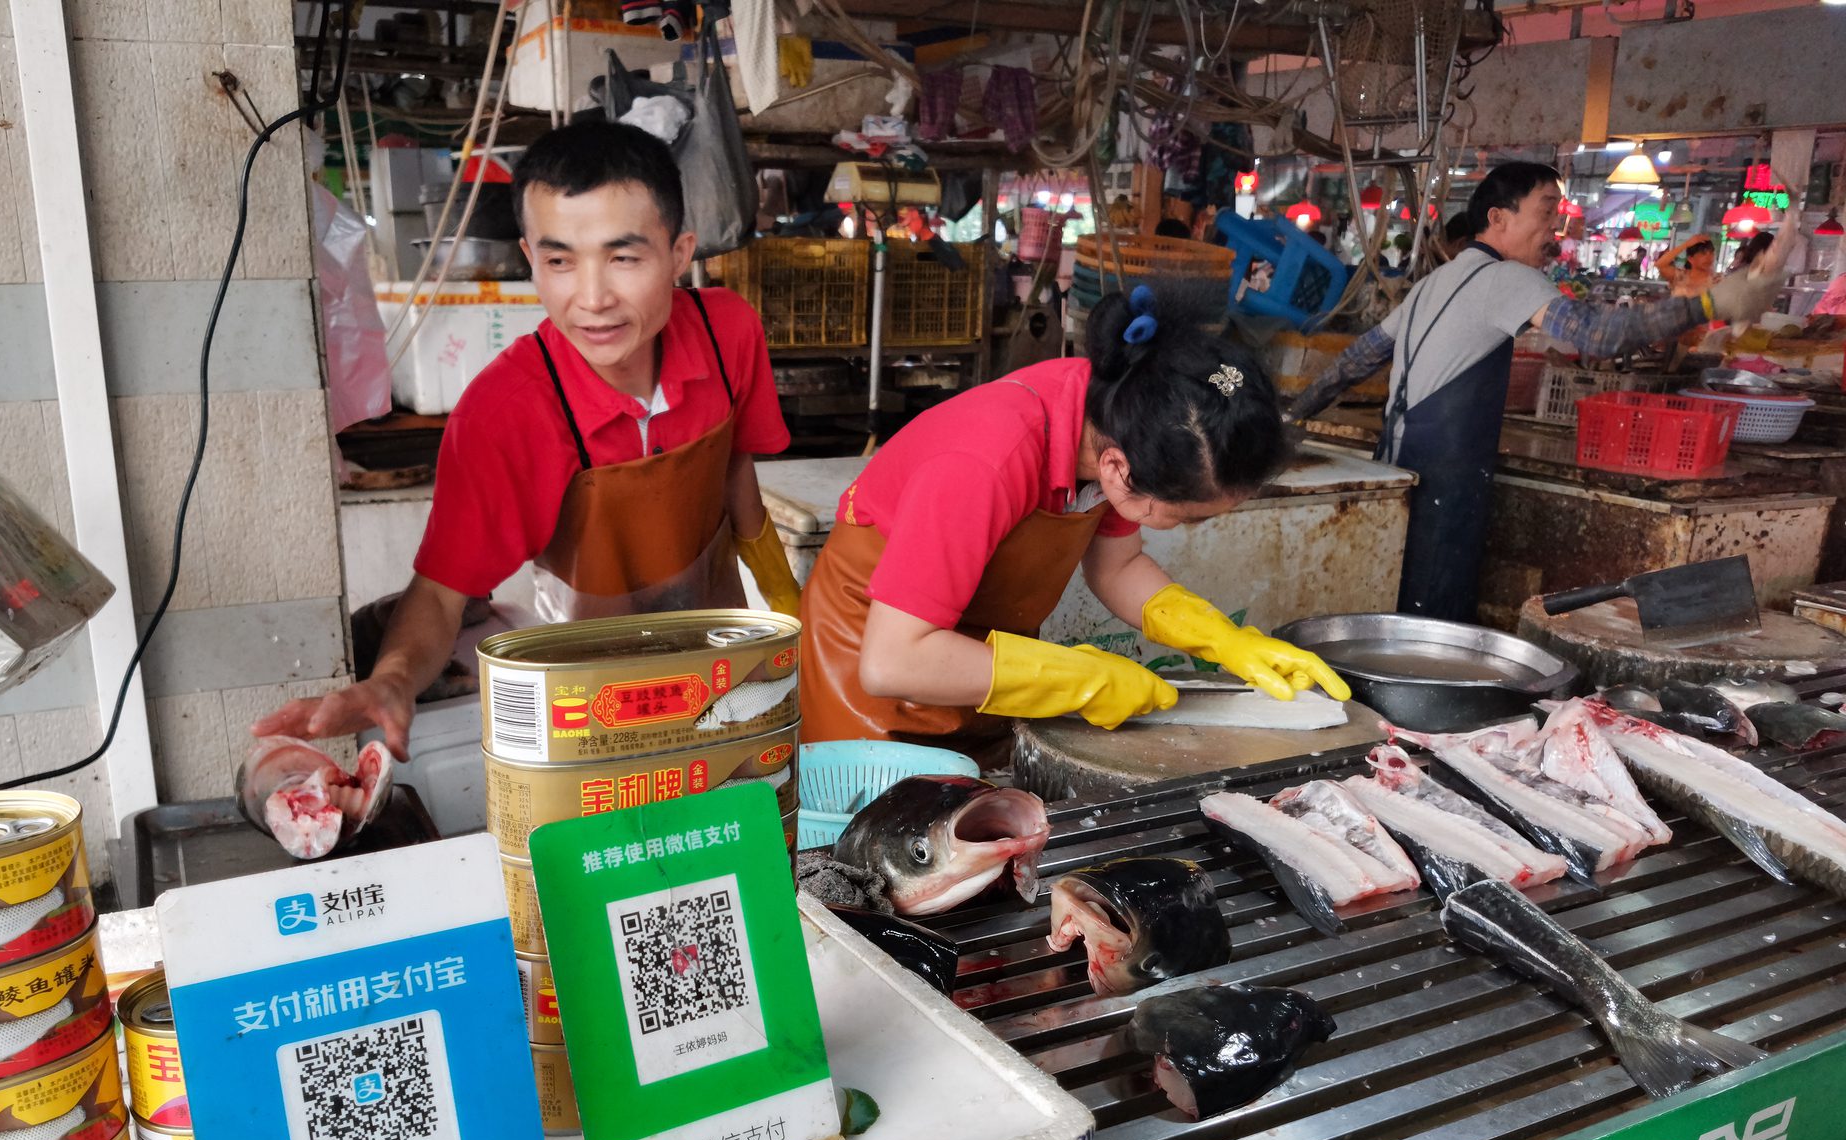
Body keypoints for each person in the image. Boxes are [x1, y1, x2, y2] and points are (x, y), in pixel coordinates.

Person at [254, 120, 800, 758]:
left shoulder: (727, 331)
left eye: (624, 257)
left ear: (680, 254)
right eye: (559, 261)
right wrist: (394, 680)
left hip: (723, 669)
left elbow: (735, 467)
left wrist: (787, 601)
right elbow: (439, 592)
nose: (592, 298)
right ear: (529, 256)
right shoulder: (504, 413)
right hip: (593, 699)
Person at [798, 284, 1350, 747]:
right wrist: (1081, 678)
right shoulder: (980, 463)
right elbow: (893, 661)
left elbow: (1116, 567)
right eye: (1188, 518)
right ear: (1117, 472)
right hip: (876, 688)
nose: (1186, 527)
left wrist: (1224, 640)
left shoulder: (1120, 412)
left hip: (974, 672)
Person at [1287, 161, 1787, 622]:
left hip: (1397, 464)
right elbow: (1598, 335)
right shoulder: (1507, 279)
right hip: (1445, 481)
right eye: (1547, 211)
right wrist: (1711, 302)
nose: (1556, 226)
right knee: (1430, 622)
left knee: (1393, 607)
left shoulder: (1435, 282)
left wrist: (1293, 414)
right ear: (1498, 217)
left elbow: (1356, 359)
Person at [1656, 233, 1716, 298]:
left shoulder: (1717, 280)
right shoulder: (1680, 276)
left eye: (1711, 253)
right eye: (1703, 253)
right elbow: (1660, 264)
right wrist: (1686, 244)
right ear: (1690, 258)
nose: (1709, 258)